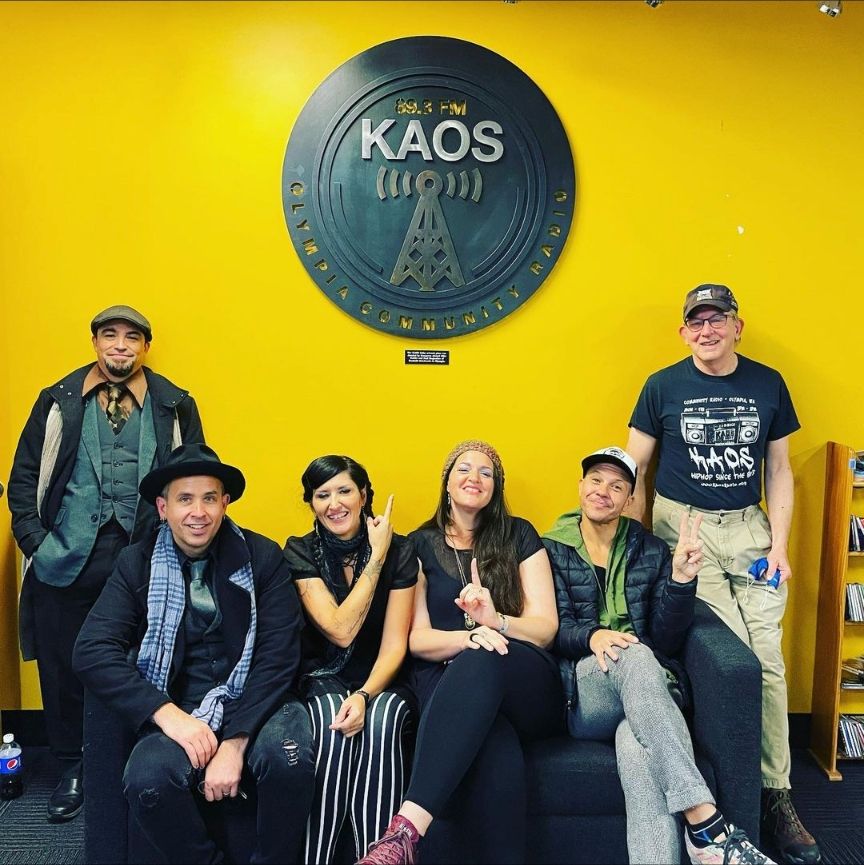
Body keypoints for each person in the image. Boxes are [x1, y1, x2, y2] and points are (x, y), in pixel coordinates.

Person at [626, 284, 820, 864]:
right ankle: (733, 791)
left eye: (718, 320)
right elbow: (634, 468)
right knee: (733, 659)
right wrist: (633, 551)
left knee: (769, 660)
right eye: (696, 322)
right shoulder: (661, 386)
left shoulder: (768, 383)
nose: (706, 330)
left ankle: (776, 795)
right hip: (685, 529)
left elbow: (779, 469)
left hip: (749, 531)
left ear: (738, 326)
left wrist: (779, 545)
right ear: (683, 332)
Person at [6, 304, 204, 822]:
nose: (120, 345)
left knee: (146, 660)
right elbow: (24, 478)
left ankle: (137, 761)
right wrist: (36, 543)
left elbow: (197, 476)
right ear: (95, 342)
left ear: (145, 347)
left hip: (144, 560)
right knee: (63, 666)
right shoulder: (58, 401)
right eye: (110, 335)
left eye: (132, 337)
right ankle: (72, 765)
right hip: (65, 559)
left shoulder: (174, 404)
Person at [72, 443, 315, 864]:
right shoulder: (137, 562)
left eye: (209, 498)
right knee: (147, 779)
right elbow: (91, 649)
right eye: (185, 499)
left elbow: (278, 655)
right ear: (163, 508)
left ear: (225, 503)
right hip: (178, 703)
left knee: (287, 759)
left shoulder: (262, 556)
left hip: (259, 699)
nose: (198, 513)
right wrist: (167, 714)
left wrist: (234, 742)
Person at [545, 446, 774, 865]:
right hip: (587, 689)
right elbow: (550, 626)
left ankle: (689, 849)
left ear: (630, 499)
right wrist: (592, 635)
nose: (603, 491)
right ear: (580, 487)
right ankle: (705, 822)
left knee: (638, 750)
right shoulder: (550, 548)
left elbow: (666, 639)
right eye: (595, 480)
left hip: (645, 691)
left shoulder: (648, 550)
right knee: (633, 654)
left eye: (617, 486)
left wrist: (681, 580)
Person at [358, 440, 562, 865]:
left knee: (485, 655)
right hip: (451, 686)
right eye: (464, 469)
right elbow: (417, 639)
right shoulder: (418, 544)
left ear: (496, 487)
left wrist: (495, 623)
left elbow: (545, 629)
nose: (475, 478)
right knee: (496, 748)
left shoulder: (520, 534)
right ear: (447, 483)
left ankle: (404, 832)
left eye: (486, 472)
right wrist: (468, 639)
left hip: (522, 678)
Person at [283, 455, 417, 864]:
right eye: (322, 495)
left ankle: (376, 857)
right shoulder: (299, 551)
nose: (334, 504)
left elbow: (394, 646)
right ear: (311, 503)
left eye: (344, 491)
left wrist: (364, 694)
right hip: (323, 674)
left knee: (384, 719)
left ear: (363, 495)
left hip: (383, 676)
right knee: (332, 722)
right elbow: (340, 630)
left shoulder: (402, 550)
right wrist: (375, 558)